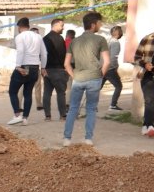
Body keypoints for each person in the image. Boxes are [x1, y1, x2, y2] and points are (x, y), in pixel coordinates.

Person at [62, 11, 109, 146]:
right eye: (99, 23)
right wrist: (100, 76)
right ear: (93, 25)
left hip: (78, 79)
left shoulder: (74, 41)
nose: (100, 25)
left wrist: (74, 76)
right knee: (91, 109)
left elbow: (66, 64)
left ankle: (67, 139)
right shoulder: (100, 40)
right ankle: (88, 139)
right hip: (94, 78)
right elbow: (106, 62)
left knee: (73, 109)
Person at [7, 17, 47, 126]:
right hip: (35, 68)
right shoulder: (38, 36)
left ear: (19, 27)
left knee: (12, 91)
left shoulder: (20, 37)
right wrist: (43, 67)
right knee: (28, 93)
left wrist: (18, 66)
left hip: (24, 66)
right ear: (28, 26)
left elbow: (20, 50)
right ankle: (25, 118)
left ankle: (17, 115)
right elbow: (44, 53)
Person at [133, 15, 154, 137]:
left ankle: (148, 125)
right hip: (147, 76)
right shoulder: (147, 39)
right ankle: (149, 126)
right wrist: (145, 64)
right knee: (150, 101)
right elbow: (137, 57)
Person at [42, 18, 69, 121]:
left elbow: (43, 55)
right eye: (62, 25)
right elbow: (63, 54)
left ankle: (47, 116)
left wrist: (43, 68)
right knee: (61, 93)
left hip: (47, 70)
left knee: (47, 93)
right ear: (55, 25)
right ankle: (62, 115)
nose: (63, 28)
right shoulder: (60, 39)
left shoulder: (45, 38)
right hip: (58, 70)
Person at [102, 26, 124, 110]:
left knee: (97, 87)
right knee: (119, 86)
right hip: (110, 68)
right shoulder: (115, 42)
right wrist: (115, 67)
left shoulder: (106, 41)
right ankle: (113, 105)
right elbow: (113, 57)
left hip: (102, 67)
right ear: (119, 33)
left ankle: (91, 105)